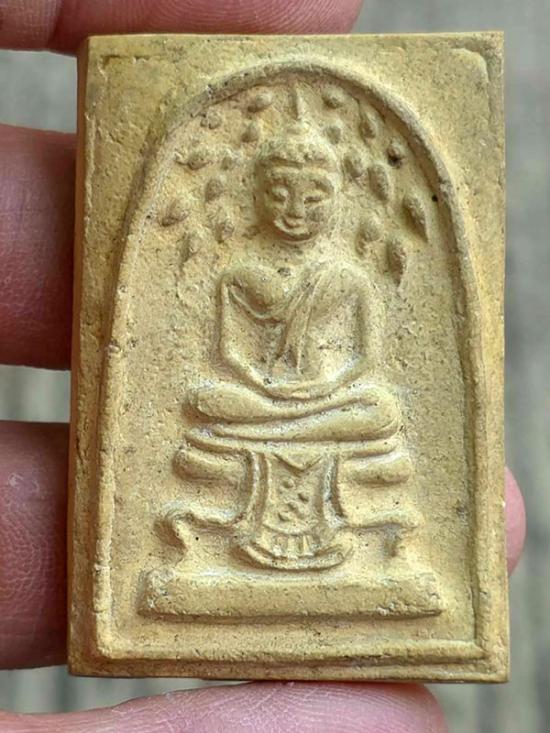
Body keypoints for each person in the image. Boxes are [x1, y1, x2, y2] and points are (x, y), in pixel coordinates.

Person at [0, 2, 526, 731]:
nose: (295, 208)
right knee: (209, 402)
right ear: (255, 194)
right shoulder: (238, 276)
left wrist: (312, 395)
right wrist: (267, 393)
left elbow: (362, 365)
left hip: (327, 405)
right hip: (254, 403)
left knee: (379, 409)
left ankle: (325, 533)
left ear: (335, 201)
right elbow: (228, 360)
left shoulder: (348, 280)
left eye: (313, 195)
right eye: (279, 192)